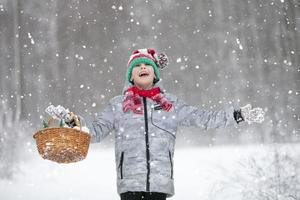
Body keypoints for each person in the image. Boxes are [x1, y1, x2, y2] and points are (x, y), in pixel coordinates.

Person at [67, 48, 264, 200]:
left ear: (155, 73)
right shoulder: (118, 105)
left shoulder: (171, 105)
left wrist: (237, 115)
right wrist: (75, 125)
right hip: (129, 184)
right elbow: (95, 131)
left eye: (147, 65)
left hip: (160, 184)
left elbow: (204, 118)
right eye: (137, 66)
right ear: (130, 75)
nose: (142, 68)